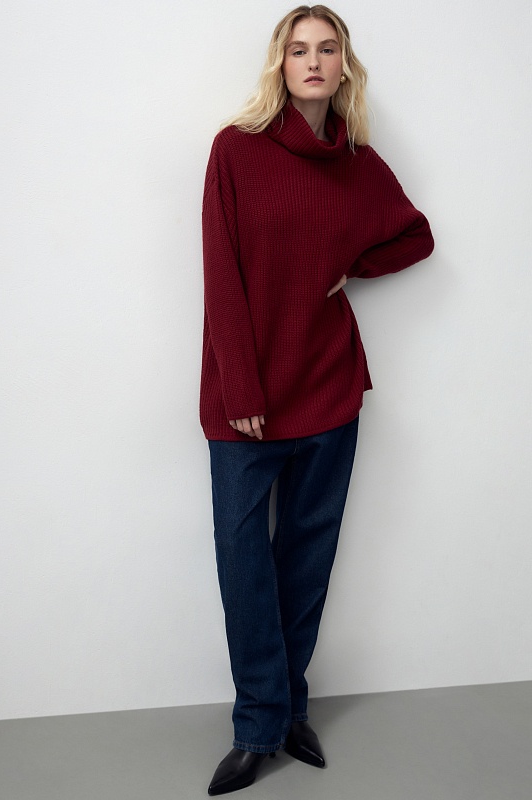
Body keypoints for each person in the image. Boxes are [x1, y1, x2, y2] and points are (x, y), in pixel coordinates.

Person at [200, 5, 434, 795]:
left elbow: (416, 235)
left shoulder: (359, 164)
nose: (312, 60)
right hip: (246, 398)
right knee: (244, 568)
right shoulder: (236, 150)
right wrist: (240, 386)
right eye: (298, 48)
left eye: (326, 49)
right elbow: (221, 274)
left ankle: (285, 711)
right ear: (280, 62)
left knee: (306, 559)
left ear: (343, 66)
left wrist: (353, 269)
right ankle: (260, 723)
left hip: (329, 387)